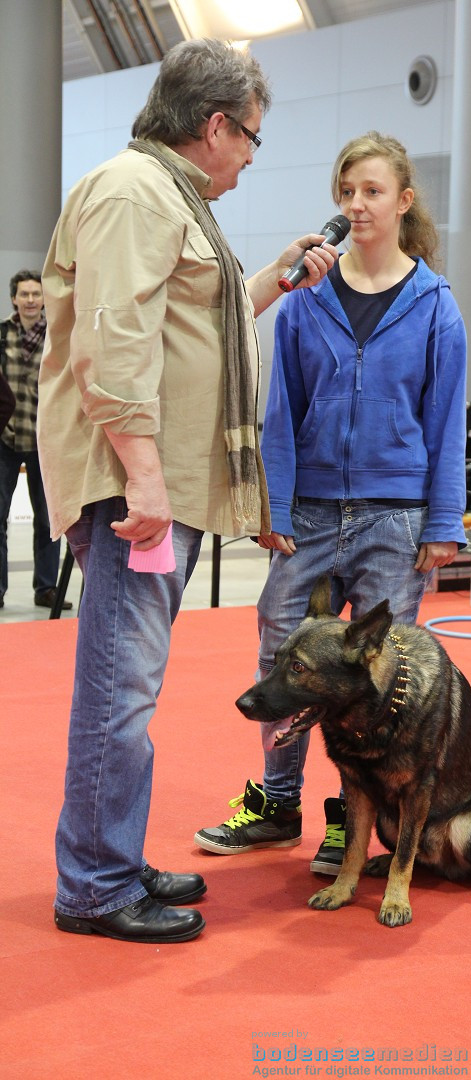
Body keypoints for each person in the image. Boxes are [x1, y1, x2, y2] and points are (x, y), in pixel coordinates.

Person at [38, 39, 336, 944]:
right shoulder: (136, 192)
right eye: (249, 136)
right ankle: (93, 883)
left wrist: (275, 280)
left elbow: (187, 327)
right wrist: (148, 478)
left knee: (130, 687)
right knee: (118, 694)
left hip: (151, 481)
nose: (250, 155)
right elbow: (115, 341)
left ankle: (112, 859)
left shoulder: (165, 194)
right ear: (214, 126)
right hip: (139, 488)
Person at [194, 131, 468, 875]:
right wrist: (272, 506)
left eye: (372, 192)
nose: (357, 205)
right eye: (347, 192)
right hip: (309, 514)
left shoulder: (437, 308)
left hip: (393, 519)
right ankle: (278, 804)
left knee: (377, 682)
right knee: (282, 653)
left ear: (404, 202)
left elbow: (447, 424)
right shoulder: (302, 302)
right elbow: (279, 413)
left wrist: (443, 523)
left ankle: (353, 819)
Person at [0, 272, 71, 611]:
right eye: (24, 294)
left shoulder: (58, 336)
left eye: (35, 294)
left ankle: (46, 588)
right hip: (5, 439)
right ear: (13, 298)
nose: (30, 299)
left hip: (46, 442)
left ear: (44, 299)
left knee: (48, 520)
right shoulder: (1, 334)